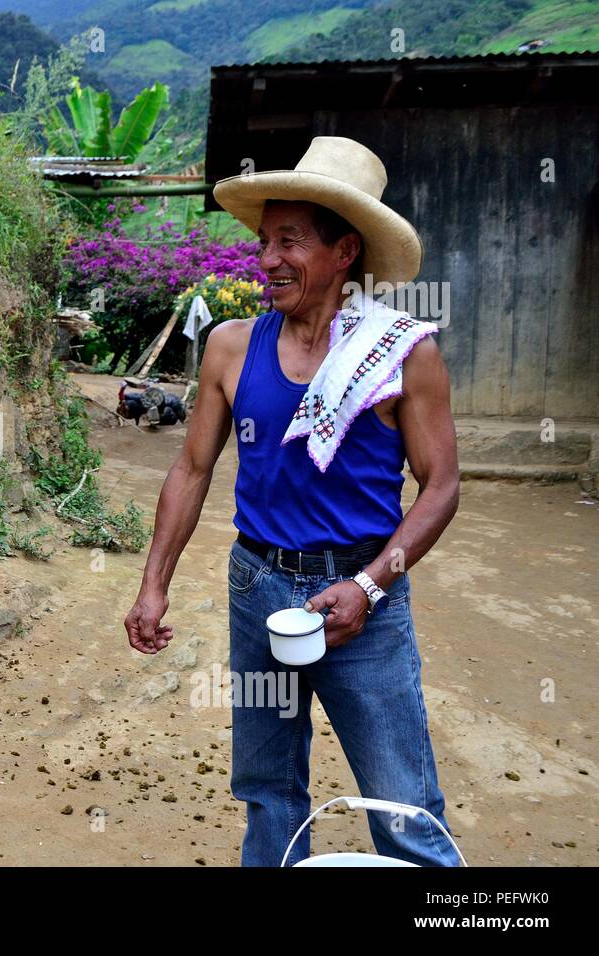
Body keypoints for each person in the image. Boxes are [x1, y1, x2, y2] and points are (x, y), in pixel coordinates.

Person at [124, 137, 462, 866]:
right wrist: (153, 586)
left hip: (363, 597)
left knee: (404, 802)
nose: (268, 259)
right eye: (263, 241)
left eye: (290, 241)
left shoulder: (402, 353)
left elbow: (442, 486)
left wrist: (371, 588)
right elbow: (191, 469)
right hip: (260, 588)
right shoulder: (230, 346)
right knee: (268, 789)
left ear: (344, 252)